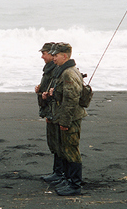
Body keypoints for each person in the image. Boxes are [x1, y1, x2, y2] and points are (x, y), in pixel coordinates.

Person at [44, 42, 87, 196]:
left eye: (55, 55)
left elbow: (71, 100)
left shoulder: (68, 73)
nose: (53, 58)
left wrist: (65, 121)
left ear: (65, 56)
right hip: (69, 116)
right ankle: (69, 180)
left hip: (70, 117)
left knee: (71, 150)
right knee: (66, 149)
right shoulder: (68, 71)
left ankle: (75, 185)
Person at [35, 42, 65, 184]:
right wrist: (40, 90)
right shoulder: (50, 68)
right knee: (53, 142)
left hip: (54, 111)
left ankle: (59, 173)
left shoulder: (56, 70)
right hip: (49, 110)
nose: (42, 57)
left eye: (44, 53)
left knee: (57, 142)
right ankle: (57, 172)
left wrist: (45, 95)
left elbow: (56, 91)